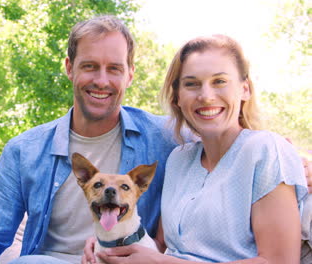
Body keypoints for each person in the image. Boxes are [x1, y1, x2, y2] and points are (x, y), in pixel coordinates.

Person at [0, 15, 182, 264]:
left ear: (130, 74)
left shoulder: (168, 137)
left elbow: (222, 140)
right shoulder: (24, 150)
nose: (101, 81)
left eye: (114, 68)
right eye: (90, 66)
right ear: (70, 68)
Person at [89, 34, 308, 263]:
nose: (206, 96)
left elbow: (279, 261)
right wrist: (109, 241)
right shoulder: (179, 158)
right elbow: (161, 246)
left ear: (245, 89)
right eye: (192, 84)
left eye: (219, 81)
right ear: (177, 98)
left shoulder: (266, 151)